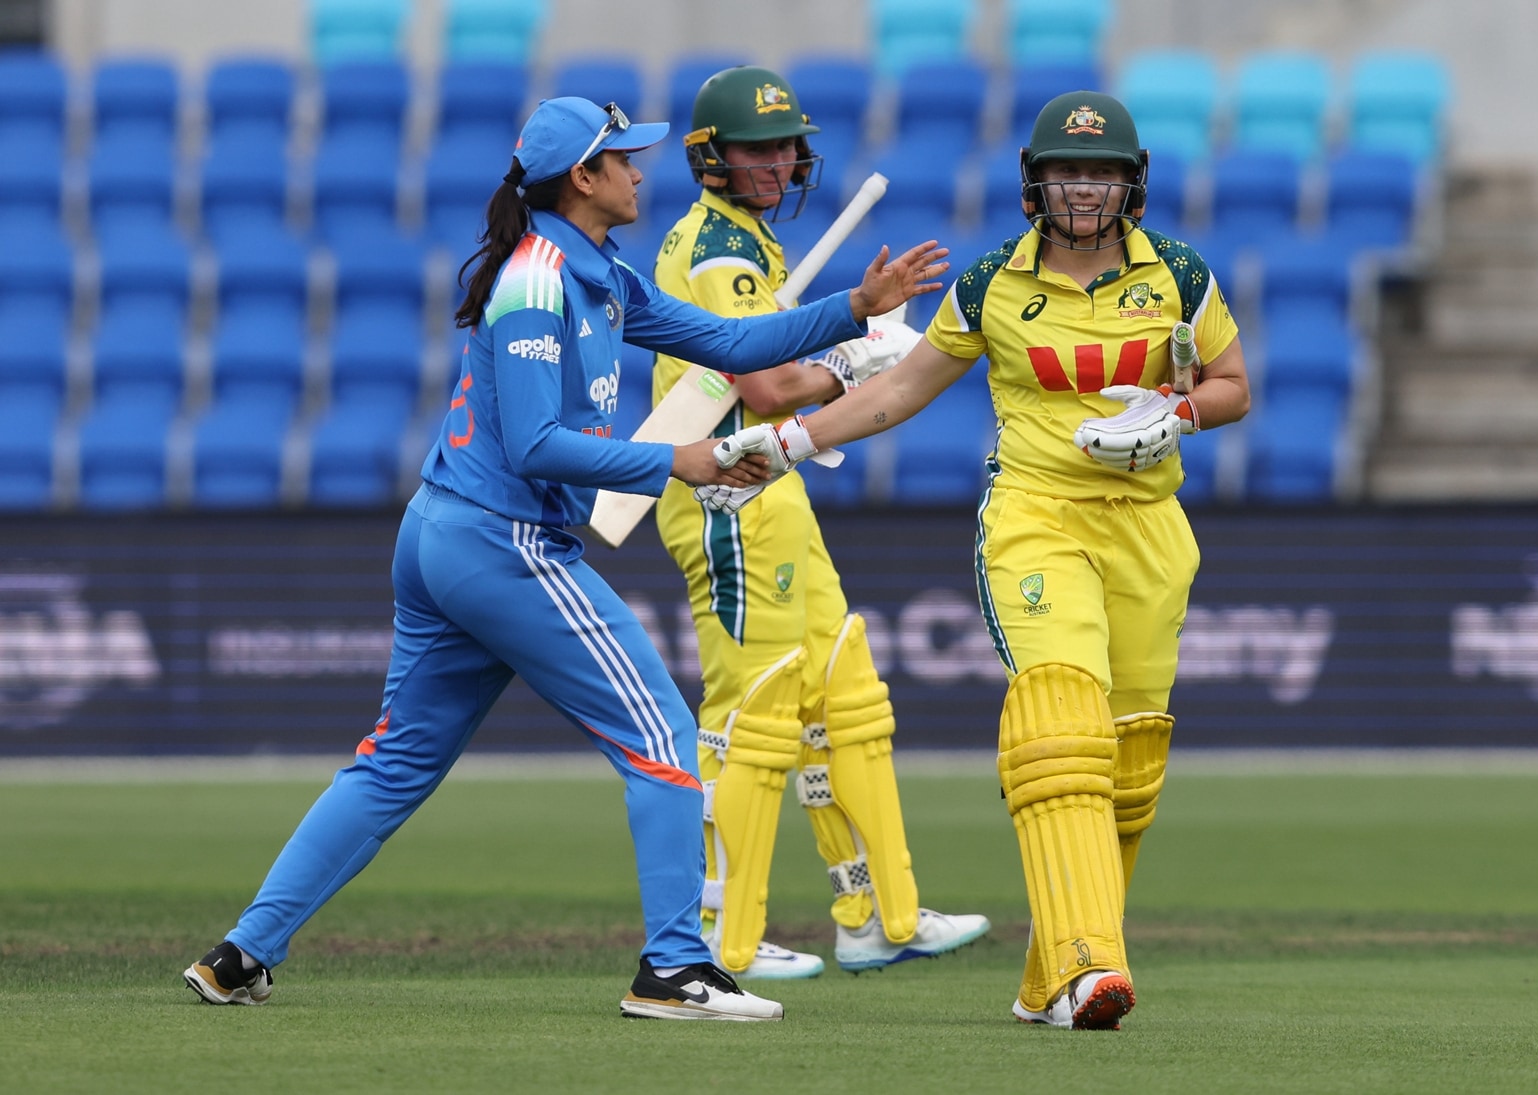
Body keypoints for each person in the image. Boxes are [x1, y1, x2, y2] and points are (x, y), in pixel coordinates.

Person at [180, 96, 948, 1022]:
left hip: (448, 533)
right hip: (501, 539)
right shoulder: (537, 284)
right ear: (582, 178)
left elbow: (731, 343)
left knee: (392, 766)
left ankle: (240, 954)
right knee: (661, 738)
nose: (639, 171)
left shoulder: (598, 270)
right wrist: (678, 460)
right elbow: (537, 444)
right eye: (623, 158)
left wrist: (855, 308)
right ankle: (675, 969)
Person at [697, 91, 1251, 1028]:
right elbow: (903, 389)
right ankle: (1091, 968)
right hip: (1037, 517)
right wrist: (788, 443)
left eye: (1102, 173)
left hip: (1151, 530)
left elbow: (1235, 385)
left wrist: (1179, 413)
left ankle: (1047, 981)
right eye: (1068, 173)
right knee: (1060, 719)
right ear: (1036, 183)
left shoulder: (1181, 276)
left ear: (1132, 184)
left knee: (1127, 760)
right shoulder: (993, 281)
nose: (1085, 189)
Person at [649, 65, 992, 980]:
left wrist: (849, 335)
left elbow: (770, 374)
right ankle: (719, 937)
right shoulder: (718, 253)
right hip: (727, 490)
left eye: (786, 148)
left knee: (845, 695)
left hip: (775, 482)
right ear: (711, 158)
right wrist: (856, 357)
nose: (777, 164)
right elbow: (765, 387)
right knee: (751, 713)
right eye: (756, 150)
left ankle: (878, 913)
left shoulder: (744, 241)